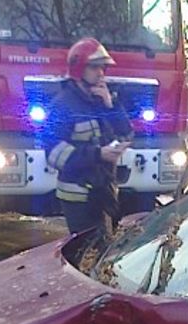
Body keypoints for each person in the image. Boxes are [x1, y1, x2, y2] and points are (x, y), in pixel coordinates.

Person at [43, 38, 134, 235]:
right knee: (85, 248)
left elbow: (126, 132)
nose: (101, 73)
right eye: (94, 67)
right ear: (78, 69)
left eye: (102, 68)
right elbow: (54, 154)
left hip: (102, 191)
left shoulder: (100, 100)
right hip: (78, 198)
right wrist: (98, 154)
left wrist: (111, 106)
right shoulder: (61, 106)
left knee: (108, 245)